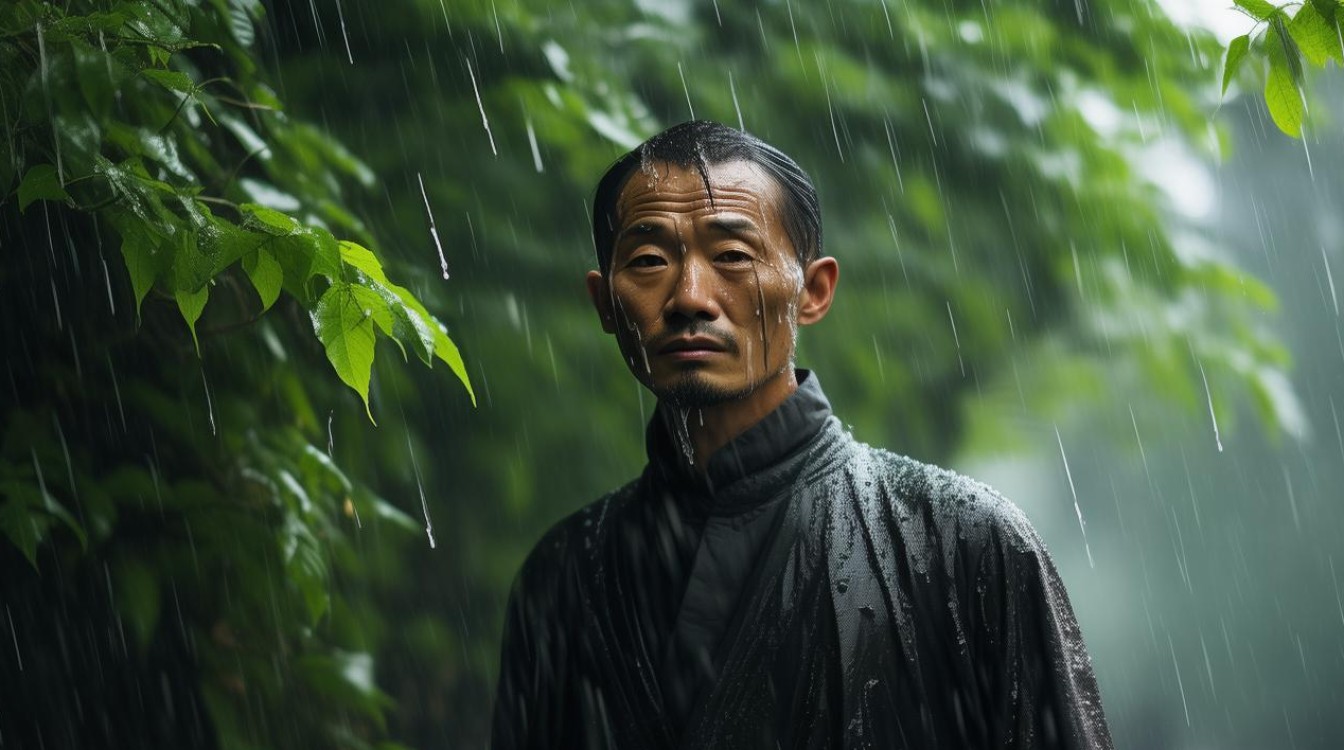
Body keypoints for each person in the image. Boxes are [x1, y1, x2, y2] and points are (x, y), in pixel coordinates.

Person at [490, 120, 1112, 749]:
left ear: (813, 291)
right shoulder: (565, 576)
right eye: (649, 260)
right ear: (604, 302)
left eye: (732, 256)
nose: (689, 297)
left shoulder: (965, 543)